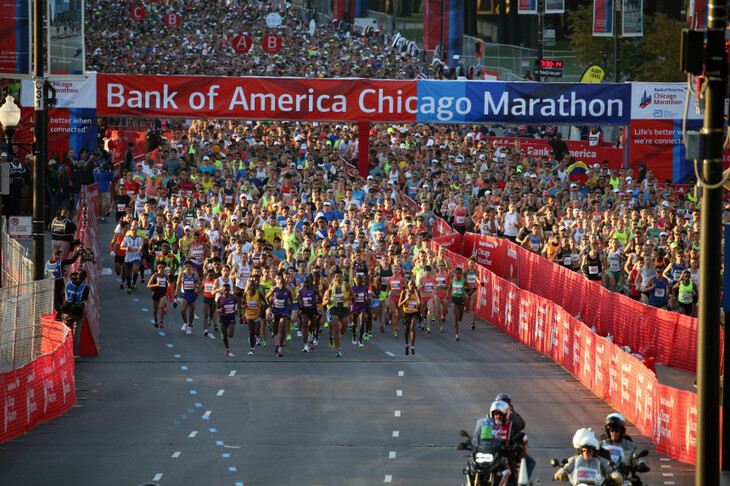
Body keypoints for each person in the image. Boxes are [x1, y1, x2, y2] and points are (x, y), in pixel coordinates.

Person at [554, 428, 621, 484]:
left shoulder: (601, 461)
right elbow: (567, 468)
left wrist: (615, 476)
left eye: (589, 451)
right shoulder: (574, 460)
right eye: (584, 451)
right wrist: (561, 473)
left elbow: (610, 470)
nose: (586, 453)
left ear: (594, 452)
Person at [45, 248, 80, 318]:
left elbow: (47, 272)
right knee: (60, 299)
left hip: (51, 283)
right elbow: (72, 261)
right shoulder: (60, 262)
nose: (62, 257)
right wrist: (78, 253)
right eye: (61, 255)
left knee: (55, 299)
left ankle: (56, 313)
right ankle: (59, 314)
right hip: (59, 283)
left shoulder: (48, 263)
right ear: (56, 256)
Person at [62, 270, 90, 353]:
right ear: (85, 278)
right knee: (76, 332)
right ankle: (73, 352)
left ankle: (64, 349)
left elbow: (63, 294)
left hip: (67, 308)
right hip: (78, 311)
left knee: (66, 330)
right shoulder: (85, 287)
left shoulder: (69, 284)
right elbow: (85, 299)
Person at [175, 260, 200, 335]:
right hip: (184, 294)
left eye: (190, 266)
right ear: (184, 267)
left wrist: (196, 287)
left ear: (192, 267)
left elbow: (199, 284)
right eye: (186, 266)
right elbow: (178, 283)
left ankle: (190, 325)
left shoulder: (195, 274)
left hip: (192, 295)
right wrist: (176, 292)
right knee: (183, 310)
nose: (188, 268)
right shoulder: (182, 274)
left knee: (191, 312)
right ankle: (185, 322)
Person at [398, 279, 420, 356]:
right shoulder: (404, 292)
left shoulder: (417, 292)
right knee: (407, 330)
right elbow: (399, 305)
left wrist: (419, 305)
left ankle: (413, 347)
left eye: (413, 285)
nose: (412, 286)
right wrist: (406, 299)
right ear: (408, 285)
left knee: (413, 328)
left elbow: (419, 302)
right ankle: (407, 344)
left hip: (415, 313)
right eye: (410, 285)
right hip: (406, 313)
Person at [217, 283, 237, 357]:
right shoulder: (220, 298)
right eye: (225, 290)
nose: (226, 292)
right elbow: (216, 308)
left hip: (231, 317)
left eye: (228, 290)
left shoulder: (233, 297)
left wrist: (237, 309)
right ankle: (227, 349)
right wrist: (219, 310)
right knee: (225, 335)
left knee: (230, 335)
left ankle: (228, 330)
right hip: (223, 317)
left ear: (230, 290)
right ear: (222, 290)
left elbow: (238, 303)